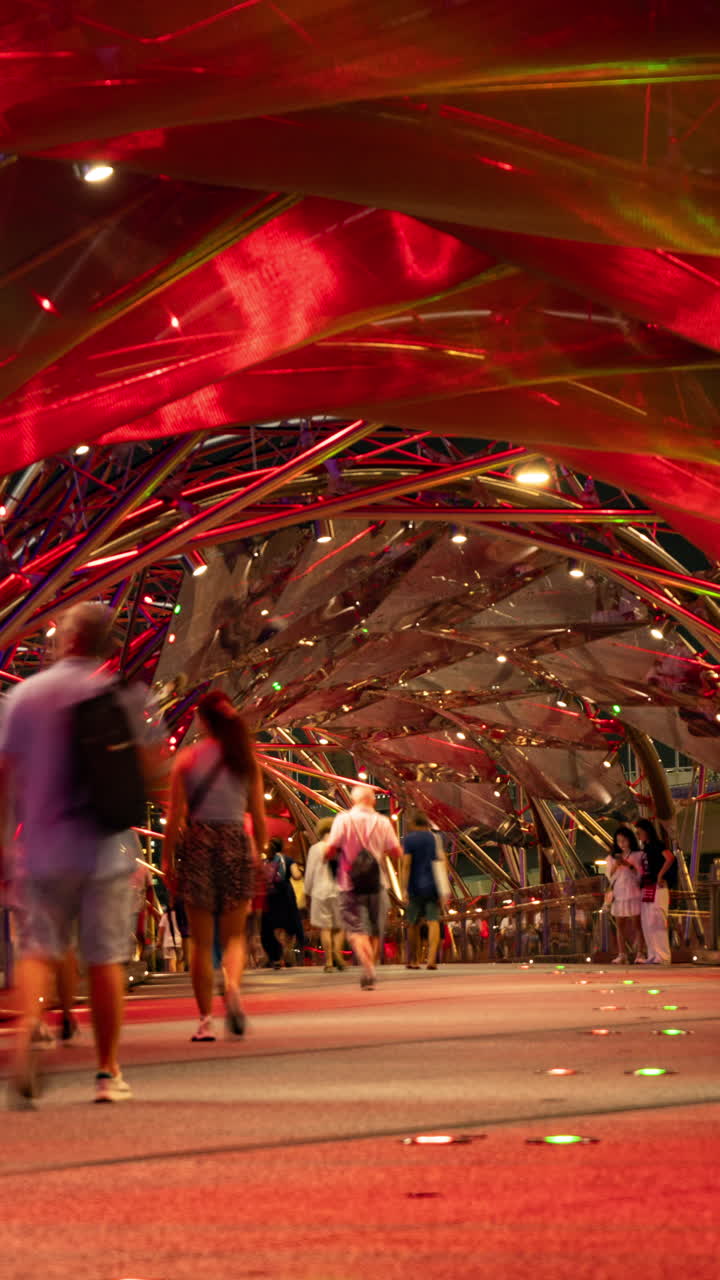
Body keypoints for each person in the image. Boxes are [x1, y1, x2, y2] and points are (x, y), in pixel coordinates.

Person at [0, 602, 145, 1105]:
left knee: (38, 948)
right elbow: (151, 768)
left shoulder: (23, 697)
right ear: (105, 644)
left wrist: (3, 846)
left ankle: (28, 1033)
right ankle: (107, 1071)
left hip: (39, 848)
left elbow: (3, 779)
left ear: (65, 639)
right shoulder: (121, 694)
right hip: (105, 847)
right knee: (105, 959)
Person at [162, 690, 267, 1041]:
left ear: (203, 721)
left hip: (199, 845)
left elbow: (175, 817)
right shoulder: (245, 760)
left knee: (201, 942)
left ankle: (205, 1019)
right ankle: (233, 987)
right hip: (236, 841)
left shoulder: (188, 760)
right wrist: (258, 855)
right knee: (235, 935)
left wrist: (167, 861)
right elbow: (260, 820)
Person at [325, 785, 401, 990]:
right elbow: (396, 851)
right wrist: (378, 850)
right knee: (375, 929)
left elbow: (331, 848)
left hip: (349, 883)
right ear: (373, 800)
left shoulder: (343, 819)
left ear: (353, 800)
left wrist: (332, 857)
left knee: (356, 929)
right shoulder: (383, 822)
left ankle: (367, 967)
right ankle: (372, 965)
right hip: (377, 883)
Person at [400, 812, 446, 970]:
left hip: (415, 886)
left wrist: (403, 888)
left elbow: (406, 865)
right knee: (433, 921)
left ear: (413, 825)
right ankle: (432, 959)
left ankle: (414, 960)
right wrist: (443, 887)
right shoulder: (435, 838)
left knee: (413, 923)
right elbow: (442, 861)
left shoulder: (409, 839)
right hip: (433, 885)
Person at [304, 816, 345, 972]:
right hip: (339, 891)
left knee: (325, 928)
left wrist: (307, 891)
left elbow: (310, 873)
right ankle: (337, 953)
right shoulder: (341, 848)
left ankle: (328, 961)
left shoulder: (315, 849)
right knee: (340, 927)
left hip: (320, 892)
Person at [634, 818, 676, 966]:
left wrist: (660, 875)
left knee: (657, 921)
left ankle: (662, 955)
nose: (638, 836)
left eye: (639, 832)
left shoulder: (657, 845)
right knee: (647, 922)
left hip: (658, 887)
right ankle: (653, 954)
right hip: (647, 888)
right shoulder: (645, 849)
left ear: (646, 831)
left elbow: (670, 858)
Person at [260, 837, 304, 968]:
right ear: (282, 847)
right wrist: (301, 870)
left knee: (270, 928)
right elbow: (296, 876)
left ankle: (275, 957)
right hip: (286, 897)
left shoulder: (264, 861)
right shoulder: (288, 860)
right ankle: (287, 952)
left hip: (270, 897)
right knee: (289, 926)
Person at [605, 826, 644, 965]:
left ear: (630, 840)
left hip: (633, 892)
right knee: (619, 926)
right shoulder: (611, 857)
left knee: (637, 924)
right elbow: (609, 876)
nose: (621, 844)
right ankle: (622, 954)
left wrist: (629, 865)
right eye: (619, 841)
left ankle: (640, 953)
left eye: (624, 840)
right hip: (619, 893)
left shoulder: (638, 855)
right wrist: (616, 864)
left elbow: (640, 875)